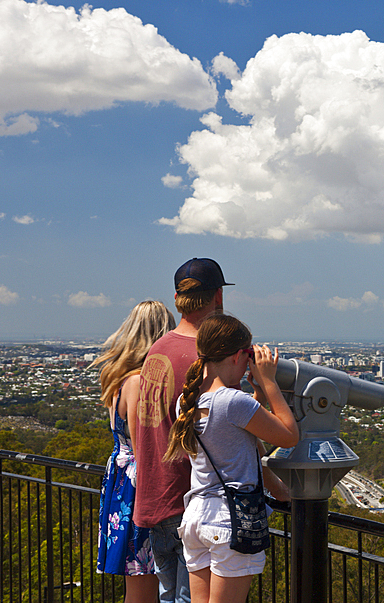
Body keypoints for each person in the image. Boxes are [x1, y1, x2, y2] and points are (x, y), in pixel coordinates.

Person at [164, 314, 299, 603]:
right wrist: (270, 382)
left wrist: (257, 396)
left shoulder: (186, 402)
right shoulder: (233, 402)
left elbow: (229, 432)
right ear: (239, 355)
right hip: (230, 522)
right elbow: (289, 435)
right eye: (248, 355)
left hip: (196, 519)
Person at [131, 258, 232, 603]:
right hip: (190, 501)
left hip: (154, 495)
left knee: (169, 596)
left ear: (177, 299)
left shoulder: (158, 349)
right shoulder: (206, 355)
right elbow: (222, 431)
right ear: (218, 296)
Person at [95, 300, 175, 603]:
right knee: (145, 588)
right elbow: (148, 450)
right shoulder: (140, 382)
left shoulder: (117, 380)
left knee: (139, 587)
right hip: (143, 491)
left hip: (121, 485)